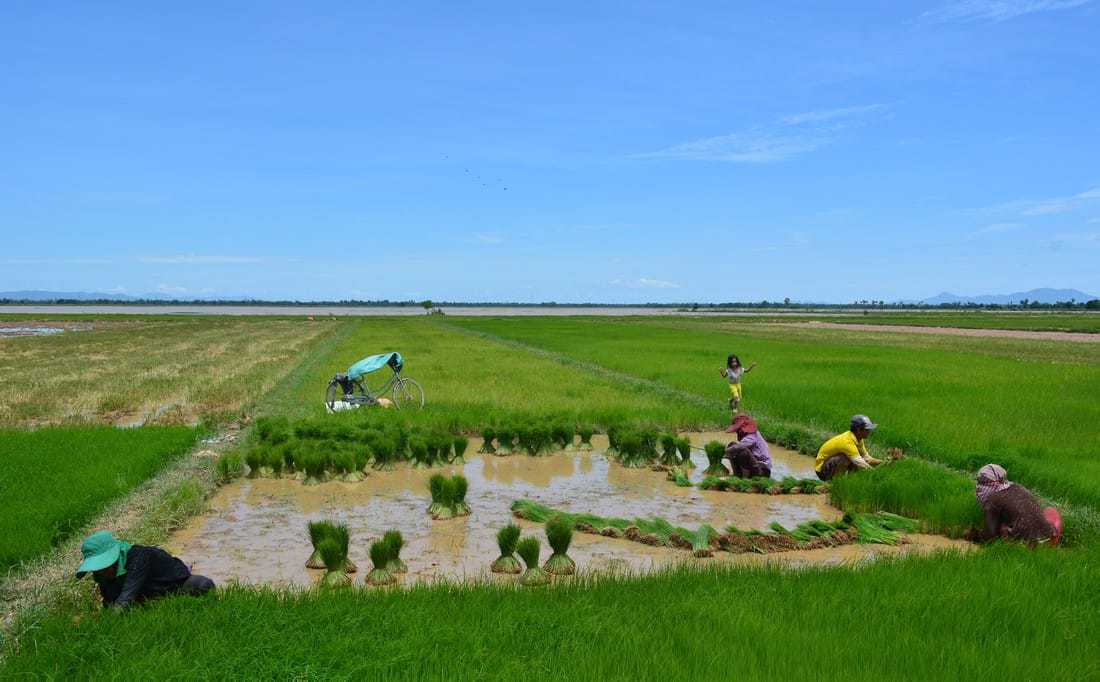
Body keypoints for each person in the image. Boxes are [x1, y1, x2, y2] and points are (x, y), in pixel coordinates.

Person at [76, 530, 215, 609]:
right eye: (98, 568)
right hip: (146, 596)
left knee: (202, 585)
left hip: (172, 588)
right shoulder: (102, 575)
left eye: (103, 566)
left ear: (115, 557)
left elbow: (125, 599)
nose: (100, 572)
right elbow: (110, 602)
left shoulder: (139, 556)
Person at [975, 464, 1062, 545]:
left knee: (1001, 528)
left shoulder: (993, 499)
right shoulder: (1018, 487)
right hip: (1049, 534)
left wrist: (974, 535)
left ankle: (1027, 543)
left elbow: (990, 535)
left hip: (1026, 541)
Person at [814, 415, 883, 481]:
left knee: (855, 458)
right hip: (822, 471)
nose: (869, 432)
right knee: (846, 458)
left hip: (829, 465)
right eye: (867, 429)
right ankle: (836, 481)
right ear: (858, 430)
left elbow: (867, 458)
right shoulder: (847, 441)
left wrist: (883, 462)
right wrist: (875, 473)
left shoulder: (859, 439)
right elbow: (860, 462)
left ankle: (850, 481)